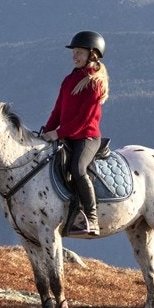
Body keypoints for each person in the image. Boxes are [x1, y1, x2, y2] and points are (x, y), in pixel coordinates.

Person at [38, 31, 108, 237]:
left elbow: (83, 120)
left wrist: (58, 133)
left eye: (79, 53)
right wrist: (47, 130)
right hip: (66, 135)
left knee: (78, 169)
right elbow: (58, 110)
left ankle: (92, 218)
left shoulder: (95, 83)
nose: (74, 56)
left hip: (86, 138)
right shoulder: (69, 79)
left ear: (92, 54)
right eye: (74, 53)